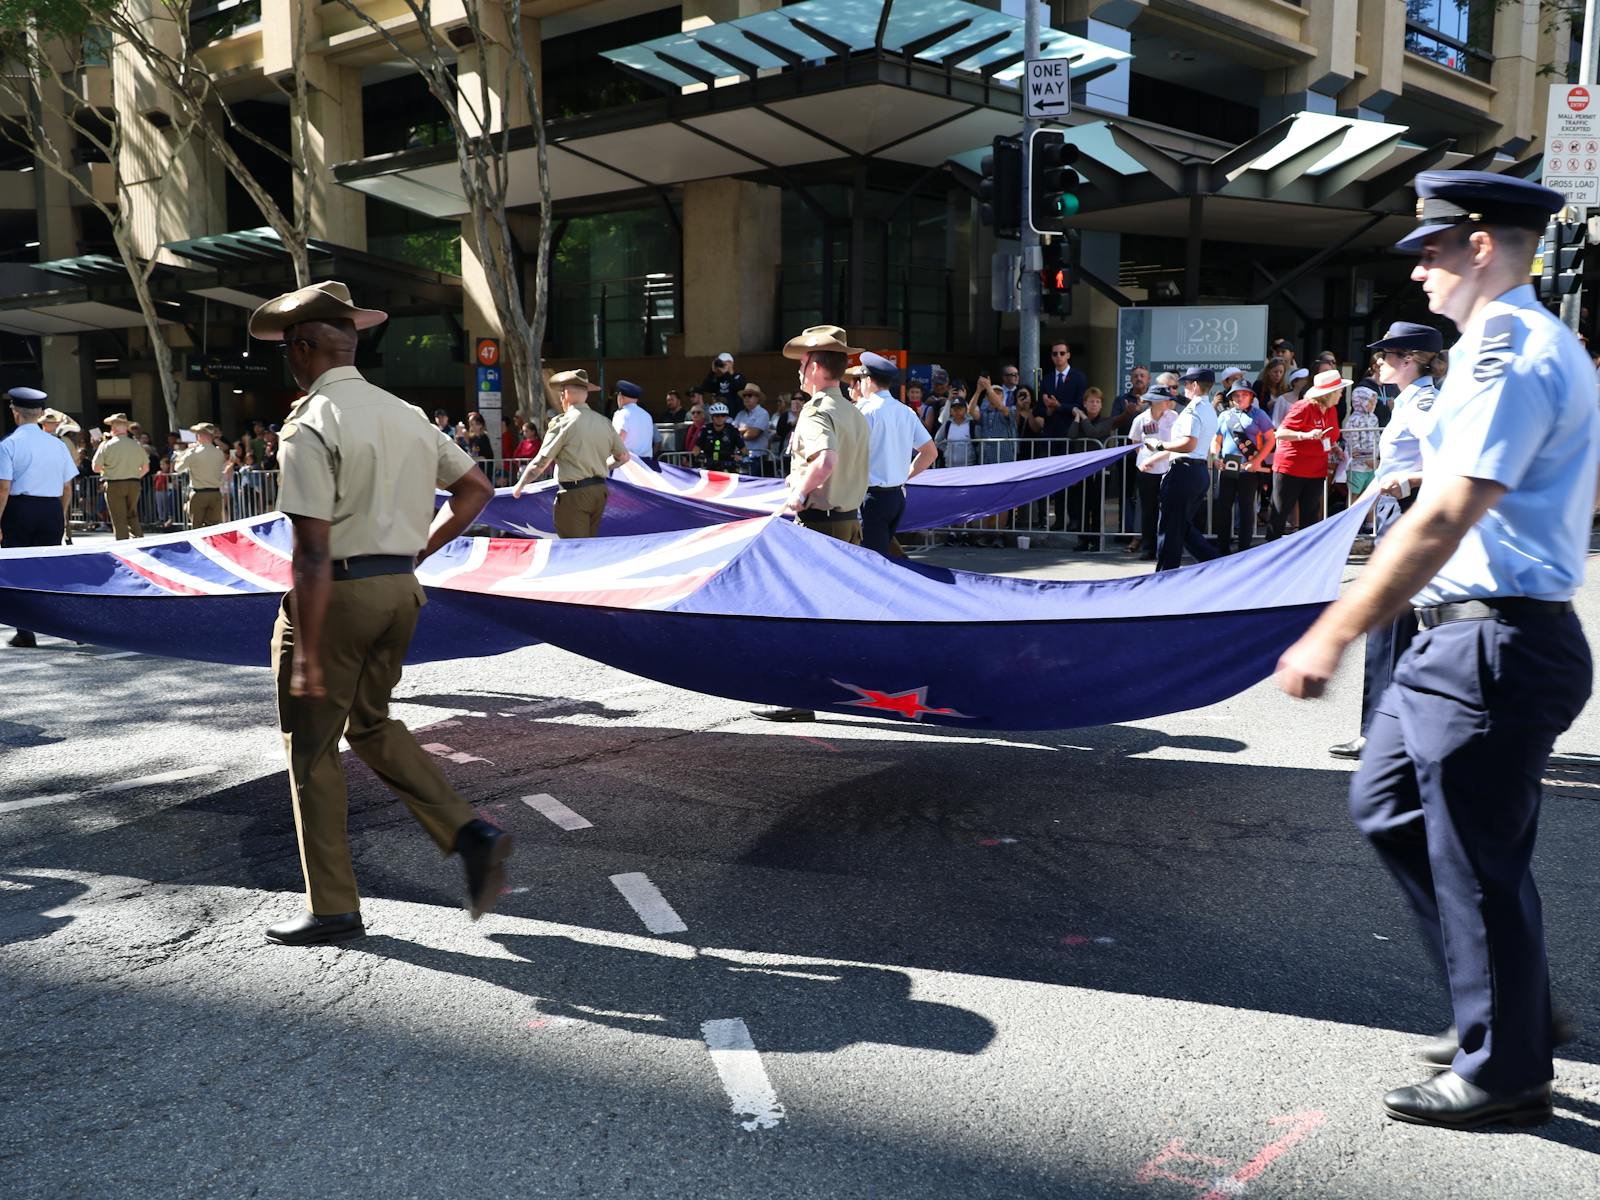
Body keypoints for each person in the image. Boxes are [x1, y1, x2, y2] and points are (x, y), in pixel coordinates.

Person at [1278, 172, 1600, 1130]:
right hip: (1462, 640)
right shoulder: (1504, 347)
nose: (1418, 271)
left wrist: (1331, 630)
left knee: (1474, 861)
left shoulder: (1512, 344)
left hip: (1496, 640)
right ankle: (1516, 1008)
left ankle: (1507, 1069)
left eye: (1429, 250)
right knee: (1385, 807)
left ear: (1479, 244)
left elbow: (1448, 512)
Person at [246, 280, 502, 946]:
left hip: (338, 596)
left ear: (303, 349)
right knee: (371, 722)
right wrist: (424, 544)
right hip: (400, 590)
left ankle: (333, 907)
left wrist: (304, 654)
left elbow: (310, 550)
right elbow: (477, 487)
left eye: (288, 351)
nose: (289, 362)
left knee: (311, 752)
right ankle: (469, 830)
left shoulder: (310, 421)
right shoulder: (407, 413)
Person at [1328, 322, 1443, 761]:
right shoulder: (1408, 401)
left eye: (1386, 354)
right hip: (1397, 512)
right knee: (1400, 630)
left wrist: (1407, 480)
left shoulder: (1425, 403)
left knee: (1388, 628)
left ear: (1409, 359)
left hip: (1410, 515)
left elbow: (1450, 467)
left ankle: (1379, 734)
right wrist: (1356, 509)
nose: (1378, 361)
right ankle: (1404, 730)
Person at [755, 325, 870, 724]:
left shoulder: (816, 411)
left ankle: (798, 697)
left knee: (799, 615)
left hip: (819, 525)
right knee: (837, 614)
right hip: (849, 524)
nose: (799, 371)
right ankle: (838, 686)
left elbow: (825, 460)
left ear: (818, 367)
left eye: (803, 363)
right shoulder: (853, 412)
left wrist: (796, 495)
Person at [0, 386, 79, 647]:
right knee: (50, 570)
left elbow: (4, 487)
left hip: (19, 509)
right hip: (51, 509)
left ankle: (26, 631)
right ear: (40, 413)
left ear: (15, 413)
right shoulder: (57, 445)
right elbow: (68, 486)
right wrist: (63, 516)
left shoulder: (9, 444)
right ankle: (74, 625)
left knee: (18, 571)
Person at [512, 369, 630, 538]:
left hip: (574, 494)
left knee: (575, 549)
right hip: (599, 491)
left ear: (565, 395)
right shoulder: (604, 422)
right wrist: (600, 466)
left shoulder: (563, 423)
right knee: (589, 546)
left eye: (561, 394)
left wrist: (520, 486)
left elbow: (541, 463)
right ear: (585, 395)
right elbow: (624, 457)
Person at [848, 352, 936, 556]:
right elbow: (930, 452)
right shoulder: (905, 411)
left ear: (868, 380)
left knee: (872, 561)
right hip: (896, 496)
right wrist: (904, 474)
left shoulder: (865, 411)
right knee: (882, 557)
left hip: (872, 496)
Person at [1147, 368, 1221, 571]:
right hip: (1196, 472)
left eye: (1187, 383)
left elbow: (1188, 444)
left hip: (1184, 472)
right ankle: (1214, 563)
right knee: (1181, 525)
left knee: (1171, 527)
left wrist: (1160, 445)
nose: (1185, 387)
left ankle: (1165, 575)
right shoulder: (1208, 408)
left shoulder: (1194, 409)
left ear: (1195, 385)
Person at [1265, 368, 1345, 540]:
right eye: (1339, 391)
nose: (1341, 394)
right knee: (1280, 512)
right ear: (1328, 393)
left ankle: (1305, 554)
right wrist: (1305, 435)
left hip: (1316, 469)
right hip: (1291, 467)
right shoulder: (1303, 406)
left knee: (1310, 514)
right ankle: (1269, 552)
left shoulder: (1331, 410)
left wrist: (1335, 447)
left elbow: (1329, 435)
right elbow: (1280, 433)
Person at [1211, 384, 1275, 554]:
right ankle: (1222, 548)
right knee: (1223, 507)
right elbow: (1216, 440)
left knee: (1247, 509)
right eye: (1236, 395)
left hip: (1249, 469)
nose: (1240, 398)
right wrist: (1215, 457)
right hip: (1227, 468)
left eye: (1244, 395)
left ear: (1251, 397)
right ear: (1231, 398)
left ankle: (1244, 549)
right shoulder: (1224, 415)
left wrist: (1257, 461)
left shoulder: (1259, 415)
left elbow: (1271, 439)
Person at [1125, 384, 1178, 562]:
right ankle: (1149, 547)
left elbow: (1177, 442)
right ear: (1154, 401)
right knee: (1148, 511)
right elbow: (1135, 441)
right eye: (1163, 399)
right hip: (1147, 471)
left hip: (1168, 468)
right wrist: (1144, 459)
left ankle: (1165, 547)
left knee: (1168, 510)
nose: (1167, 401)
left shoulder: (1174, 417)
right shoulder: (1140, 419)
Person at [90, 412, 149, 539]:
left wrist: (108, 469)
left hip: (114, 484)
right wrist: (134, 476)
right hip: (134, 483)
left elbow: (95, 468)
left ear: (113, 428)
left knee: (119, 518)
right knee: (132, 514)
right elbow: (146, 468)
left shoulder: (106, 445)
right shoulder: (136, 445)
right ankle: (139, 541)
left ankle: (124, 546)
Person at [173, 423, 227, 529]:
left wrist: (185, 452)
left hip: (199, 494)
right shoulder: (219, 453)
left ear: (201, 435)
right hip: (215, 493)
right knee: (214, 528)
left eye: (198, 434)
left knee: (196, 528)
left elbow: (178, 468)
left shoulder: (194, 452)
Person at [611, 380, 655, 463]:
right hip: (647, 464)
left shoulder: (622, 414)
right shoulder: (647, 415)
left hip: (628, 465)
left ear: (620, 396)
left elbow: (619, 437)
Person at [695, 402, 745, 472]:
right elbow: (696, 449)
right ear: (712, 417)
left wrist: (739, 455)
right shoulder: (705, 430)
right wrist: (700, 456)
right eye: (717, 415)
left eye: (723, 415)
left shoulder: (732, 430)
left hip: (729, 467)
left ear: (726, 417)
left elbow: (744, 449)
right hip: (710, 467)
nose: (720, 418)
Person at [1039, 341, 1088, 413]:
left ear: (1068, 355)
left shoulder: (1080, 378)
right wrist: (1047, 409)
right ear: (1052, 357)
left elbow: (1081, 405)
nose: (1058, 356)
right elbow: (1039, 407)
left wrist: (1059, 406)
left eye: (1062, 353)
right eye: (1055, 354)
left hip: (1071, 422)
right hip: (1051, 422)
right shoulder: (1046, 379)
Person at [734, 383, 772, 473]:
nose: (746, 398)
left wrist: (738, 433)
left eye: (749, 395)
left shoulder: (763, 413)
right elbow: (732, 433)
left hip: (757, 458)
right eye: (744, 396)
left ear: (757, 398)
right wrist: (745, 430)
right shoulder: (740, 414)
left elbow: (752, 434)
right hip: (740, 457)